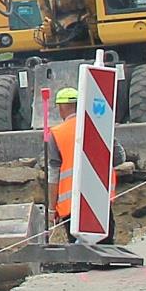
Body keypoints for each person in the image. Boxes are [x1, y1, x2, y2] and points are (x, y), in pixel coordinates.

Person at [46, 86, 122, 229]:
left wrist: (51, 209)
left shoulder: (57, 134)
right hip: (100, 200)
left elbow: (54, 175)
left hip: (71, 206)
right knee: (105, 248)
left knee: (78, 249)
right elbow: (119, 157)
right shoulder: (99, 126)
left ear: (61, 108)